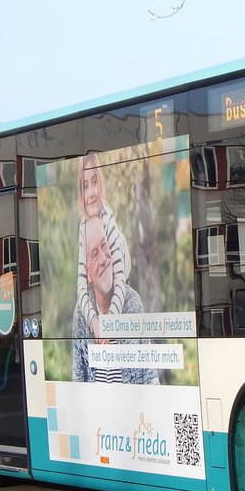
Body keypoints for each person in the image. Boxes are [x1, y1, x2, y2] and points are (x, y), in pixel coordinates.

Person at [72, 215, 157, 385]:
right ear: (87, 273)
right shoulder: (82, 312)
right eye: (94, 254)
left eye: (105, 246)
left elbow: (149, 375)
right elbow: (78, 378)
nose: (103, 259)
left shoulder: (132, 303)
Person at [75, 153, 131, 343]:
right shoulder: (83, 227)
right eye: (85, 186)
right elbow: (81, 287)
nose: (91, 192)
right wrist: (95, 323)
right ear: (80, 194)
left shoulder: (108, 218)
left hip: (120, 285)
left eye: (94, 182)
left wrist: (108, 324)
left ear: (101, 185)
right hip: (101, 298)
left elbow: (120, 279)